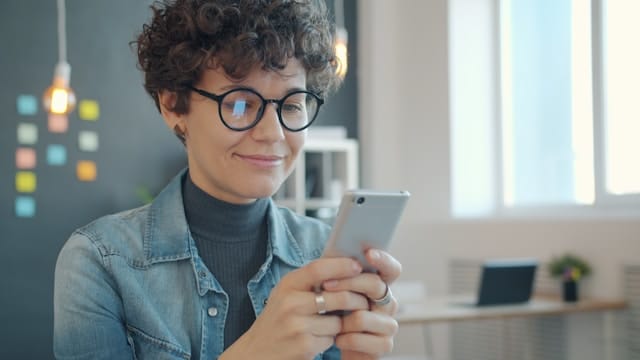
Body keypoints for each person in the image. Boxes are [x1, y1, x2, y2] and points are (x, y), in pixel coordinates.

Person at [53, 0, 402, 359]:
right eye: (240, 104)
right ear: (173, 106)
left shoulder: (322, 255)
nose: (274, 133)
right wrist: (256, 351)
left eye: (293, 104)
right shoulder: (100, 262)